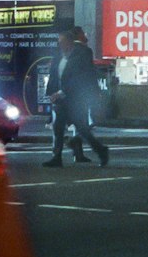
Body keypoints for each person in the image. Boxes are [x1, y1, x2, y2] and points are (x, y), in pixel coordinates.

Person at [44, 29, 109, 168]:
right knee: (58, 126)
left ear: (69, 42)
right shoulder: (58, 56)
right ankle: (57, 156)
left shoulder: (82, 54)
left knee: (82, 128)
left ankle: (101, 150)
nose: (60, 45)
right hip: (61, 99)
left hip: (76, 98)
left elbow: (80, 77)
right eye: (59, 42)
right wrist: (51, 92)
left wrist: (61, 92)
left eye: (62, 42)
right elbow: (54, 75)